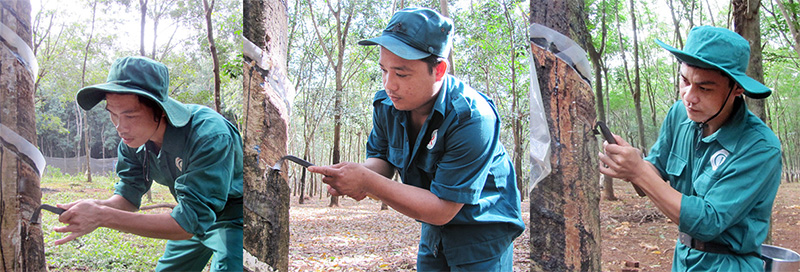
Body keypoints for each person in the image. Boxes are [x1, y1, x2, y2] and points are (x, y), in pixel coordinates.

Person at [307, 7, 525, 271]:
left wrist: (367, 182)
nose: (390, 84)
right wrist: (352, 174)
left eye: (401, 74)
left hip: (482, 230)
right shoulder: (387, 105)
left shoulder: (472, 118)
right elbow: (382, 160)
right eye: (383, 71)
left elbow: (443, 208)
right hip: (432, 226)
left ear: (439, 69)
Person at [598, 26, 782, 271]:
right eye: (684, 80)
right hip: (683, 258)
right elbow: (657, 168)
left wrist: (638, 172)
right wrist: (631, 163)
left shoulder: (759, 146)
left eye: (704, 88)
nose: (689, 96)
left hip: (729, 264)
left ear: (737, 89)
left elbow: (708, 221)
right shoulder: (679, 115)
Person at [59, 56, 243, 272]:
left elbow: (188, 224)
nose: (120, 127)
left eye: (130, 116)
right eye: (113, 115)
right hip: (188, 212)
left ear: (161, 109)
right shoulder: (132, 141)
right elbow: (128, 198)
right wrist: (95, 205)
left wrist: (102, 216)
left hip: (234, 217)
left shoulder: (209, 135)